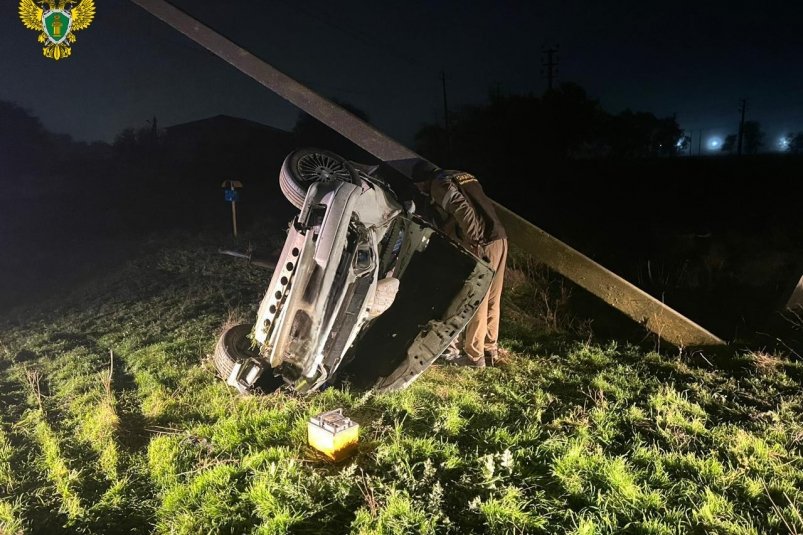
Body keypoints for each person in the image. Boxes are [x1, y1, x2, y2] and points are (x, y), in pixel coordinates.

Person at [411, 160, 508, 368]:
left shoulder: (439, 184)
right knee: (493, 298)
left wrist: (474, 242)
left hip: (482, 243)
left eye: (420, 187)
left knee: (477, 299)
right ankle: (490, 350)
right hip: (499, 237)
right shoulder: (461, 175)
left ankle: (474, 357)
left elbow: (462, 210)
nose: (421, 191)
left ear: (423, 182)